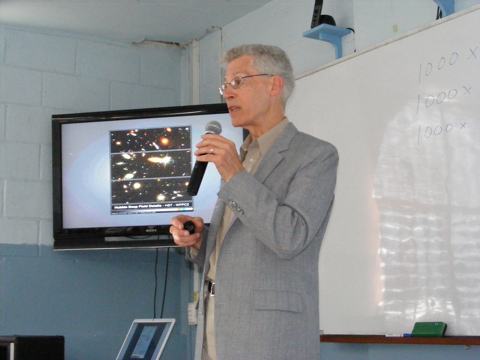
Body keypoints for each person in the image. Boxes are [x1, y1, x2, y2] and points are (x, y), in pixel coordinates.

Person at [170, 44, 338, 360]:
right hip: (215, 334)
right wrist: (198, 240)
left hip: (269, 339)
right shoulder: (242, 158)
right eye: (226, 86)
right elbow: (237, 250)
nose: (228, 94)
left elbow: (289, 237)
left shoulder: (315, 155)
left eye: (238, 82)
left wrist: (235, 174)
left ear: (274, 85)